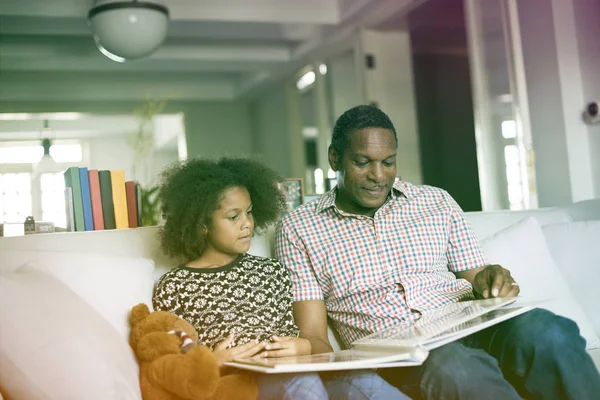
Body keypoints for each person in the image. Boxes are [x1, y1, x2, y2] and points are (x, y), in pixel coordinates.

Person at [275, 105, 600, 400]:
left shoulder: (435, 201)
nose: (378, 175)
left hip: (472, 324)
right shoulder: (300, 227)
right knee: (457, 368)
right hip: (401, 352)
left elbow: (478, 276)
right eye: (363, 162)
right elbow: (315, 334)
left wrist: (493, 279)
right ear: (335, 158)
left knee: (547, 331)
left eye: (388, 162)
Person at [152, 157, 409, 400]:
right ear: (201, 224)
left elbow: (308, 343)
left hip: (293, 370)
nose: (247, 224)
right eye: (233, 217)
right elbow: (176, 360)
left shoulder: (273, 271)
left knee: (361, 380)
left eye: (249, 212)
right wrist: (213, 360)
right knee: (303, 385)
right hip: (238, 383)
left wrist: (304, 348)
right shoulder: (174, 285)